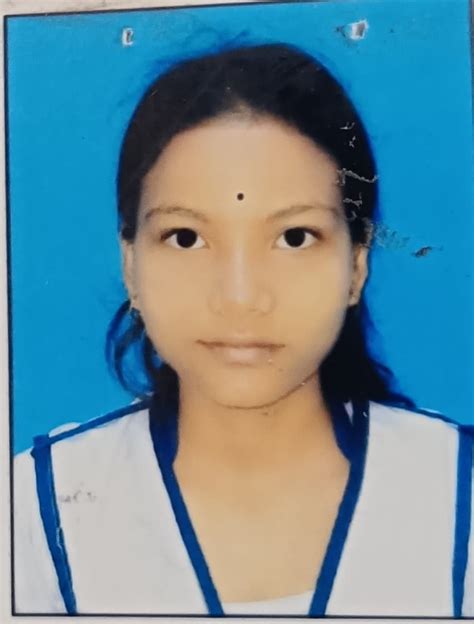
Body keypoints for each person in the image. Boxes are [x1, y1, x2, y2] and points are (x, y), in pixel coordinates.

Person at [14, 42, 473, 617]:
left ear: (357, 265)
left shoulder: (457, 490)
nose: (240, 297)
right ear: (130, 263)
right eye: (186, 238)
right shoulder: (33, 511)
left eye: (294, 237)